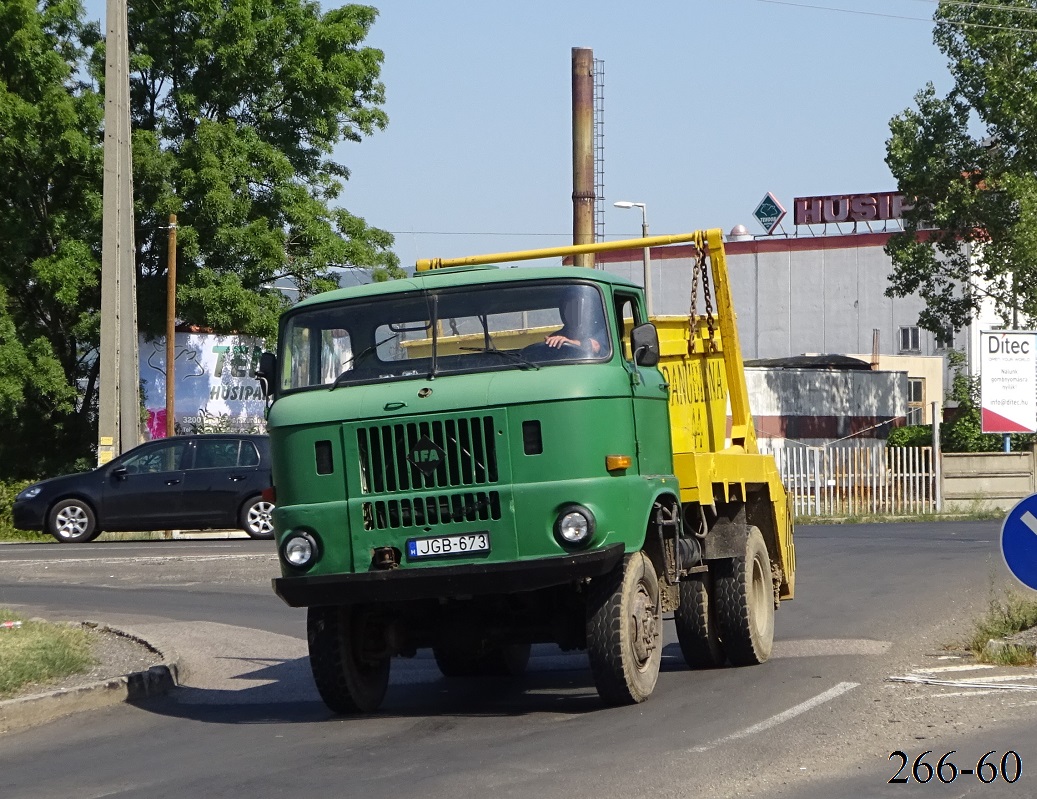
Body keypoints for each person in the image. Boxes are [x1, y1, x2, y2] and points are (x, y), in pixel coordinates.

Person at [544, 286, 607, 356]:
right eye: (568, 306)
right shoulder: (556, 337)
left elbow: (595, 346)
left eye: (577, 305)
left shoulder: (602, 332)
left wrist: (569, 342)